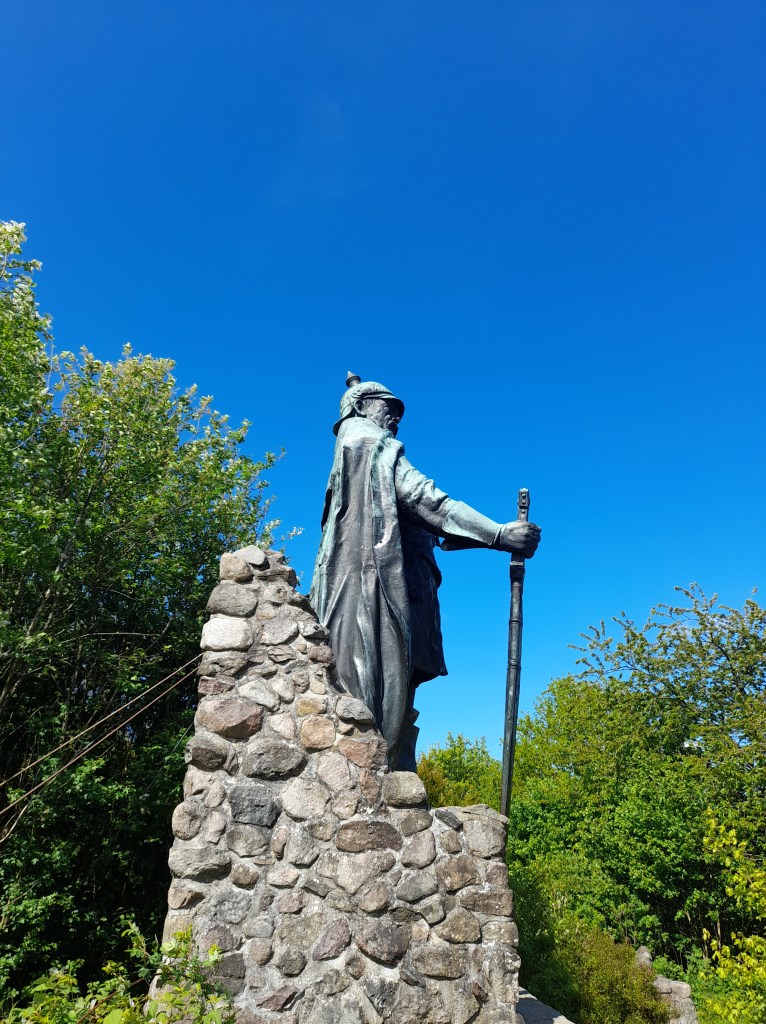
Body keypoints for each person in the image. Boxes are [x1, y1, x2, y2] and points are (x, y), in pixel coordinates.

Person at [310, 374, 541, 771]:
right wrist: (499, 534)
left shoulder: (349, 456)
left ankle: (387, 771)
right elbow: (426, 501)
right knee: (378, 694)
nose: (396, 417)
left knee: (396, 696)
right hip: (377, 595)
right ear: (361, 406)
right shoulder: (369, 443)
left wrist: (489, 539)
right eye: (388, 407)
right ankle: (375, 777)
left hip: (400, 592)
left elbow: (431, 526)